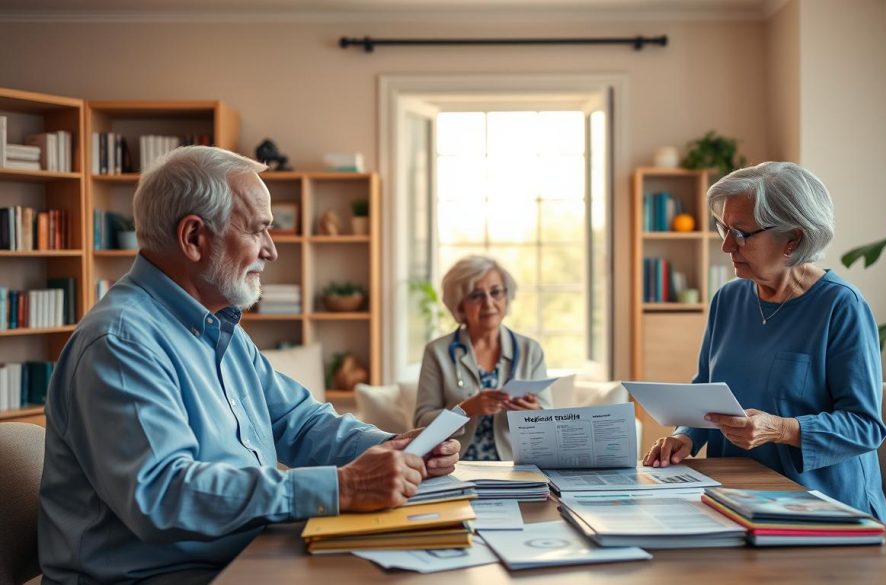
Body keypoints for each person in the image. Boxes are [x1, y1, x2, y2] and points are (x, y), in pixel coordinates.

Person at [38, 146, 459, 584]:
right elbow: (163, 496)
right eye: (259, 230)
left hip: (245, 557)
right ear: (194, 238)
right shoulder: (121, 343)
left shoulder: (220, 327)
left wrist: (396, 448)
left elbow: (297, 421)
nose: (272, 251)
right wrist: (343, 487)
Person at [642, 161, 886, 524]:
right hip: (732, 492)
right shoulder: (728, 298)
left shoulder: (841, 306)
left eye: (741, 233)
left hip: (819, 500)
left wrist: (781, 428)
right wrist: (687, 436)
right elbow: (706, 390)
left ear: (794, 238)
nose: (727, 245)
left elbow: (865, 426)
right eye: (723, 229)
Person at [415, 255, 553, 461]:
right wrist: (467, 409)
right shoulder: (437, 352)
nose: (489, 303)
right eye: (476, 295)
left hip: (515, 467)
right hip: (454, 467)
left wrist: (533, 413)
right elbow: (421, 425)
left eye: (495, 292)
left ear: (507, 297)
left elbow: (550, 424)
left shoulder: (530, 350)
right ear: (460, 305)